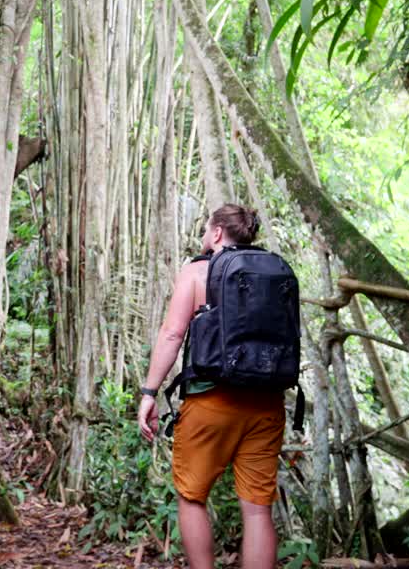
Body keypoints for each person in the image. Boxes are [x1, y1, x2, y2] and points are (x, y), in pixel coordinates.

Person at [137, 203, 285, 569]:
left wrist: (150, 392)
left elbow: (173, 334)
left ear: (217, 233)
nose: (204, 236)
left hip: (211, 401)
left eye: (206, 230)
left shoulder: (197, 270)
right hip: (267, 404)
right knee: (257, 511)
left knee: (191, 497)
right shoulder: (274, 271)